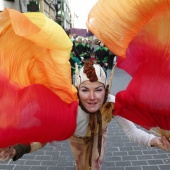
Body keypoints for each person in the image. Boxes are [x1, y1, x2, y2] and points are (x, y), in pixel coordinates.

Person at [1, 60, 170, 170]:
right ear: (77, 90)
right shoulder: (68, 108)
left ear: (106, 89)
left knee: (96, 164)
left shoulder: (111, 104)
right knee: (82, 166)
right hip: (76, 138)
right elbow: (44, 137)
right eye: (84, 90)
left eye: (98, 90)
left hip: (99, 134)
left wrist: (153, 140)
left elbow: (131, 132)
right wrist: (17, 149)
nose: (92, 97)